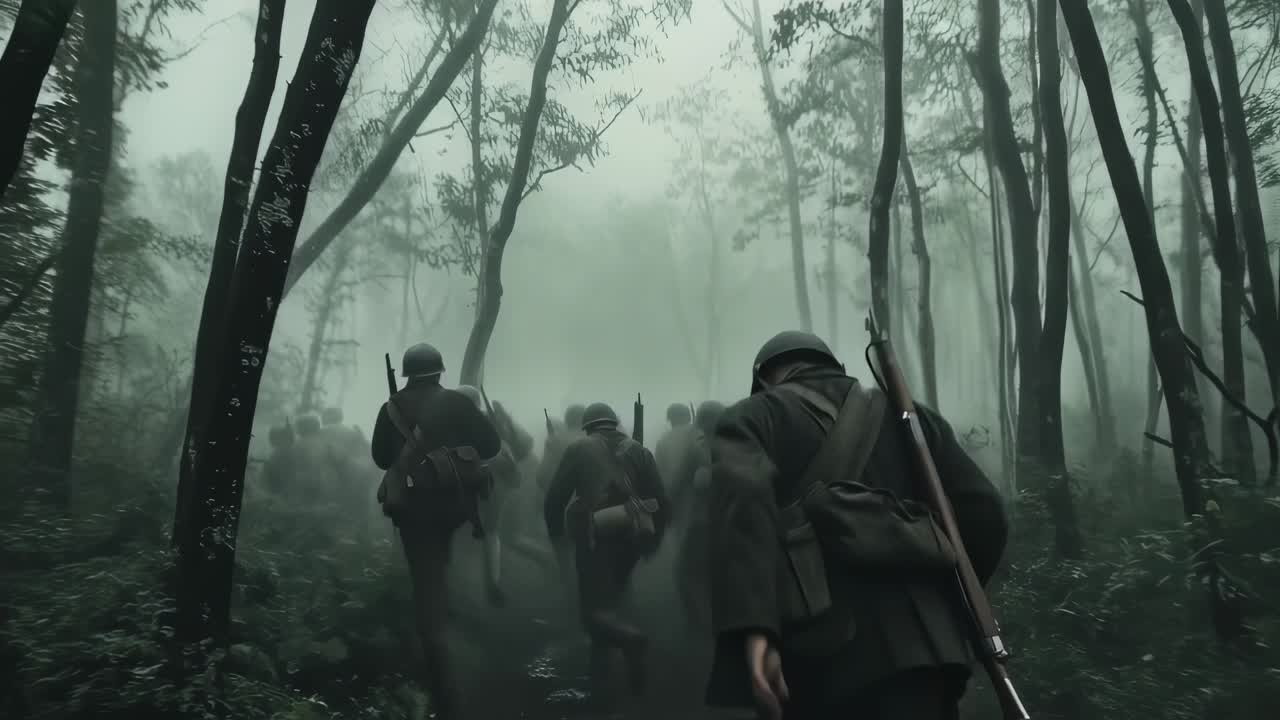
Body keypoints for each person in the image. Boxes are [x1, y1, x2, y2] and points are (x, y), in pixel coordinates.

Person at [704, 330, 1009, 720]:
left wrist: (757, 626)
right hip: (933, 655)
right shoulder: (914, 418)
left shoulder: (752, 417)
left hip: (824, 659)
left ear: (763, 380)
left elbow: (744, 514)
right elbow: (985, 514)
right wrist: (950, 599)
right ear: (839, 369)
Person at [370, 343, 502, 720]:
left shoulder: (392, 405)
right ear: (441, 371)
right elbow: (490, 445)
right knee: (438, 562)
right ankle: (445, 620)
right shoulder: (459, 403)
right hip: (453, 505)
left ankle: (444, 685)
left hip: (412, 510)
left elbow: (381, 458)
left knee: (425, 580)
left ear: (409, 372)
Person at [543, 402, 672, 706]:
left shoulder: (579, 449)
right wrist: (653, 543)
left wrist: (556, 536)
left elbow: (555, 499)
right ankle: (604, 681)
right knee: (612, 600)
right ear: (615, 423)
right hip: (633, 537)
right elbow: (661, 501)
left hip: (594, 536)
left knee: (592, 614)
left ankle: (630, 643)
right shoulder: (640, 450)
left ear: (588, 425)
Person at [455, 384, 519, 607]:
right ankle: (492, 582)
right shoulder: (493, 420)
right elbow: (510, 449)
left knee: (466, 535)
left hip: (466, 483)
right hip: (493, 481)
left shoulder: (449, 422)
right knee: (491, 533)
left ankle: (465, 589)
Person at [673, 399, 725, 632]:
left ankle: (701, 628)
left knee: (685, 575)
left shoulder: (698, 447)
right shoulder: (746, 443)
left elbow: (678, 483)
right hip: (737, 522)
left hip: (704, 523)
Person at [655, 402, 695, 489]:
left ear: (670, 419)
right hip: (696, 494)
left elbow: (658, 471)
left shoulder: (663, 440)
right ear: (688, 417)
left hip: (670, 492)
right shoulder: (699, 435)